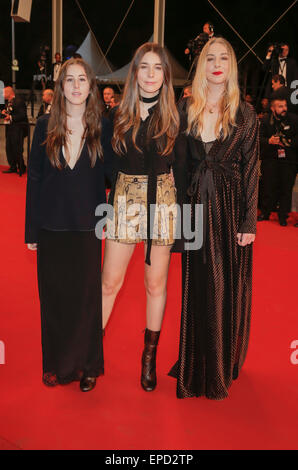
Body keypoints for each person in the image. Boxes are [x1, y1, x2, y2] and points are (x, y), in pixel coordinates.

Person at [169, 37, 260, 400]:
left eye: (224, 58)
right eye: (210, 58)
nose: (217, 64)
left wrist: (249, 222)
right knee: (196, 285)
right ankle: (194, 365)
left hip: (229, 207)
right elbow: (176, 165)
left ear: (232, 66)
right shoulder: (185, 106)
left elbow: (253, 170)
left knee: (223, 287)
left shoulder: (246, 113)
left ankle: (219, 367)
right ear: (201, 65)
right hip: (193, 207)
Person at [101, 42, 187, 392]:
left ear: (166, 75)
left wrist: (184, 229)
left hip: (163, 203)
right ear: (134, 72)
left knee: (155, 285)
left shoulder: (177, 117)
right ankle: (92, 352)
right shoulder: (117, 114)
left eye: (157, 68)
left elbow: (181, 171)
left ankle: (148, 358)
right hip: (123, 199)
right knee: (109, 282)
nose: (151, 75)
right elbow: (105, 166)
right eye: (144, 67)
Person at [25, 58, 114, 392]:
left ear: (91, 86)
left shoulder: (103, 127)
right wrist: (31, 229)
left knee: (87, 299)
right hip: (50, 226)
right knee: (54, 299)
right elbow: (34, 177)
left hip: (88, 227)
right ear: (60, 87)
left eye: (82, 80)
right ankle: (57, 365)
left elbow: (114, 174)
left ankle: (88, 365)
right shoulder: (45, 124)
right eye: (69, 80)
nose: (76, 86)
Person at [258, 97, 298, 226]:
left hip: (289, 159)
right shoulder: (265, 120)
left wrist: (290, 143)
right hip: (270, 158)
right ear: (273, 108)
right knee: (268, 187)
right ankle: (265, 212)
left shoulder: (294, 119)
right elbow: (258, 139)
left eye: (285, 106)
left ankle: (283, 216)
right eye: (280, 106)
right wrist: (268, 141)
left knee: (286, 188)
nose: (284, 109)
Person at [1, 86, 28, 176]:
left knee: (17, 149)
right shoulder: (9, 102)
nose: (2, 95)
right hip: (10, 128)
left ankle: (21, 167)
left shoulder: (19, 101)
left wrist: (11, 117)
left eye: (3, 93)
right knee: (9, 148)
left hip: (18, 129)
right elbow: (11, 113)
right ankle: (12, 167)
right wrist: (5, 113)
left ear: (9, 93)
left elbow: (22, 115)